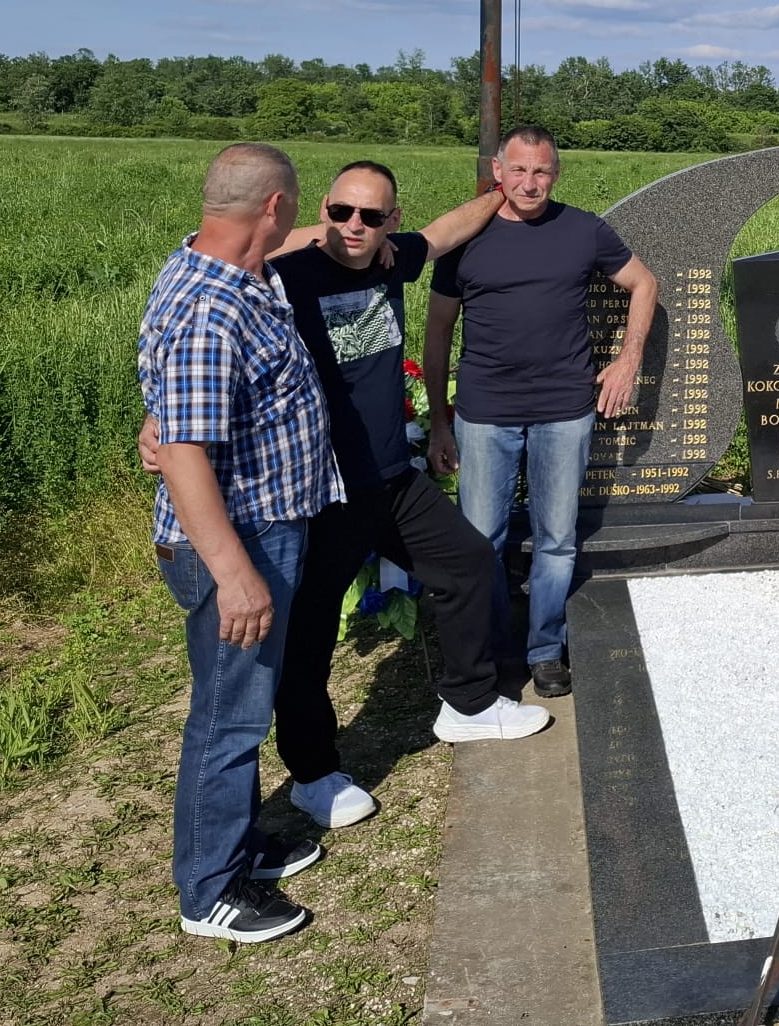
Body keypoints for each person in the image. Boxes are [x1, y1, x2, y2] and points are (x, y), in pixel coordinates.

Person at [143, 162, 555, 832]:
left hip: (391, 477)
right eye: (341, 213)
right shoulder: (283, 276)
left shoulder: (394, 259)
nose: (355, 227)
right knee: (307, 640)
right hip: (322, 490)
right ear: (320, 211)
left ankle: (469, 704)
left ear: (393, 220)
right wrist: (157, 413)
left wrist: (503, 192)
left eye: (372, 216)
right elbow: (220, 277)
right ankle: (312, 774)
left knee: (470, 563)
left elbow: (445, 233)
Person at [138, 143, 340, 944]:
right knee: (228, 718)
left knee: (242, 705)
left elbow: (181, 406)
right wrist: (235, 575)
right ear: (275, 207)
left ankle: (239, 843)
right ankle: (210, 891)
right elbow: (185, 451)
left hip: (264, 528)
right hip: (238, 540)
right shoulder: (212, 309)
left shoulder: (234, 269)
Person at [425, 126, 659, 698]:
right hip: (485, 410)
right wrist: (439, 422)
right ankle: (491, 650)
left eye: (542, 172)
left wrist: (627, 360)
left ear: (556, 174)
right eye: (519, 170)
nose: (530, 184)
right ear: (498, 171)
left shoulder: (582, 229)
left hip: (564, 409)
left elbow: (643, 282)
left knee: (556, 539)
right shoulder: (465, 239)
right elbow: (438, 330)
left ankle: (545, 649)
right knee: (482, 540)